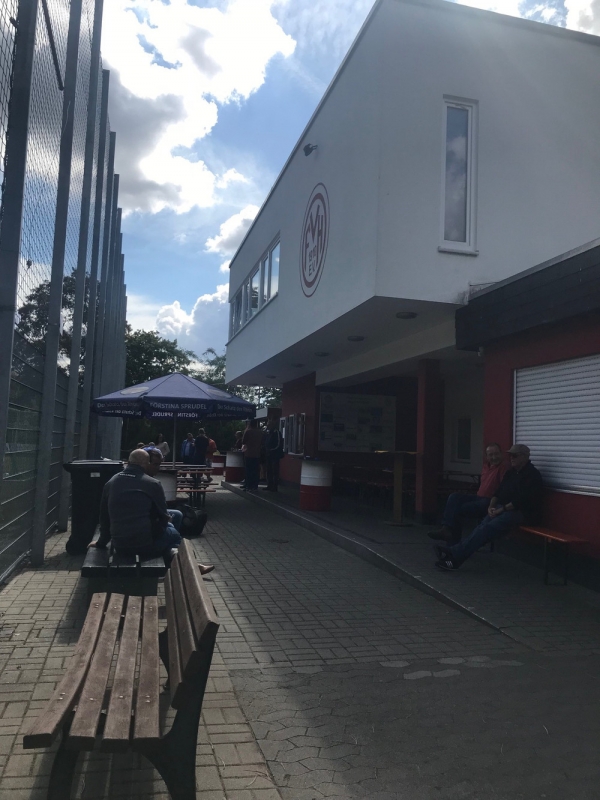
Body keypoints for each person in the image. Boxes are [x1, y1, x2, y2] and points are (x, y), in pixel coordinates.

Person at [434, 444, 543, 571]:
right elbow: (498, 492)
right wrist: (491, 507)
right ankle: (454, 553)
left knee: (487, 529)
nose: (511, 458)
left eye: (515, 456)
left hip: (522, 513)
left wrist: (500, 509)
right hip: (503, 508)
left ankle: (454, 555)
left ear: (524, 457)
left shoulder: (532, 475)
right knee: (482, 526)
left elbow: (520, 501)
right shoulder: (512, 472)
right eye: (510, 455)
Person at [88, 449, 181, 563]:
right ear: (147, 464)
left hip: (120, 545)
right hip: (144, 545)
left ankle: (170, 558)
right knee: (174, 534)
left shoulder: (110, 482)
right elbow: (163, 517)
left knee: (170, 527)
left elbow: (104, 517)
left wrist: (100, 543)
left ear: (128, 462)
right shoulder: (153, 484)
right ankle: (173, 563)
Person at [428, 443, 507, 544]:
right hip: (478, 497)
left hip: (490, 501)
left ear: (501, 453)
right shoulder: (485, 466)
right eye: (491, 455)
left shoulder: (504, 467)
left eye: (496, 454)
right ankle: (446, 528)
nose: (494, 457)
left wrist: (494, 502)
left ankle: (453, 543)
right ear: (486, 456)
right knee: (454, 497)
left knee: (458, 509)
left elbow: (503, 488)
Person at [242, 418, 263, 492]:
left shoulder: (248, 431)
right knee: (256, 470)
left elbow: (243, 441)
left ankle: (248, 485)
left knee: (248, 470)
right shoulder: (260, 432)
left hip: (249, 453)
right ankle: (255, 486)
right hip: (257, 454)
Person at [263, 420, 283, 492]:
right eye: (267, 425)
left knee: (275, 470)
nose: (268, 426)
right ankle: (269, 485)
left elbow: (278, 444)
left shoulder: (276, 432)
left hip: (275, 455)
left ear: (273, 425)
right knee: (269, 470)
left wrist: (271, 450)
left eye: (269, 425)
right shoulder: (268, 433)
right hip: (268, 454)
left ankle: (275, 486)